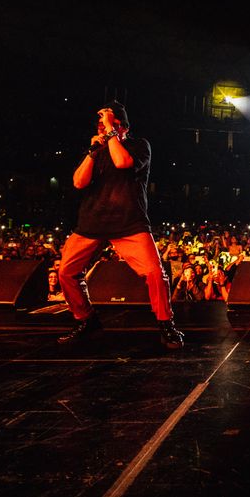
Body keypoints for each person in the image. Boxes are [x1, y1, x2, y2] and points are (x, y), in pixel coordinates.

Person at [57, 101, 184, 349]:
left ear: (122, 127)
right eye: (101, 125)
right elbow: (79, 182)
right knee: (66, 272)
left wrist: (112, 134)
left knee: (155, 273)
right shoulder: (97, 150)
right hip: (91, 222)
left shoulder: (139, 146)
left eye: (109, 124)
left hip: (129, 223)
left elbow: (123, 162)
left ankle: (166, 324)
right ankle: (87, 320)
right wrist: (93, 150)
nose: (103, 128)